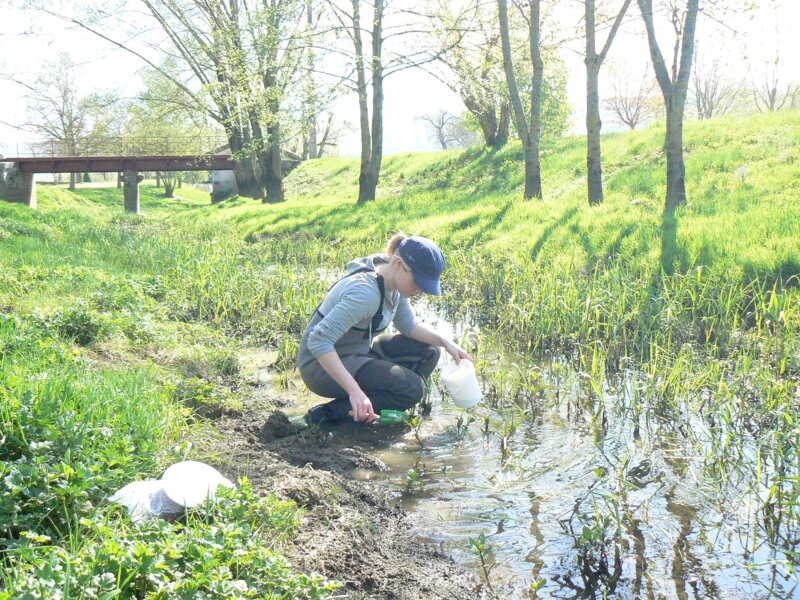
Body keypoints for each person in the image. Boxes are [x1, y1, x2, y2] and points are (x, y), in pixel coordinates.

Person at [297, 233, 472, 424]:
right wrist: (355, 391)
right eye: (418, 283)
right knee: (413, 389)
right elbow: (319, 340)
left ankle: (383, 404)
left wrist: (446, 342)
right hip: (319, 365)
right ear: (398, 264)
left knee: (431, 351)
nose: (419, 291)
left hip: (357, 350)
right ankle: (328, 414)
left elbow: (408, 324)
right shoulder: (365, 293)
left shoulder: (393, 279)